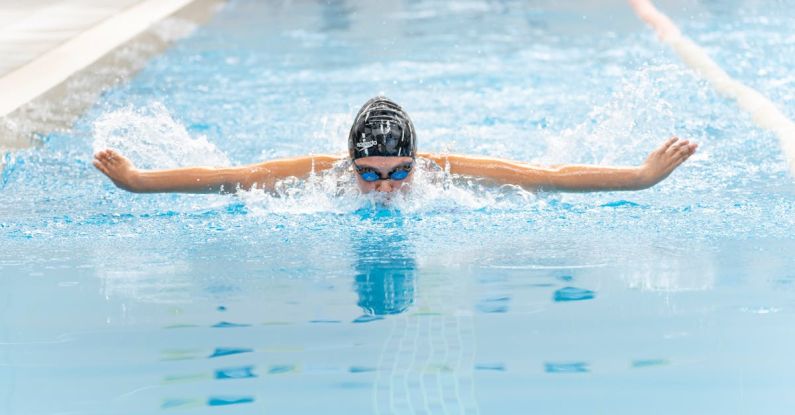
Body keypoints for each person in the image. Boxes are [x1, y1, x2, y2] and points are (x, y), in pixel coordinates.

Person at [93, 96, 698, 195]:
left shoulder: (445, 173)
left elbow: (546, 176)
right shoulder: (321, 176)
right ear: (350, 160)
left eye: (397, 172)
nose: (385, 188)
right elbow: (228, 176)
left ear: (417, 159)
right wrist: (139, 180)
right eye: (371, 173)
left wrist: (642, 176)